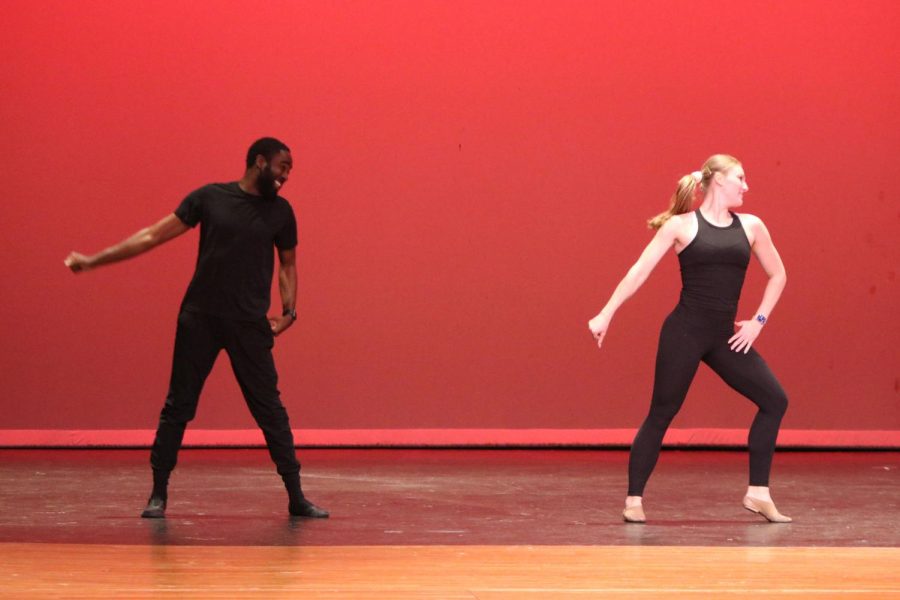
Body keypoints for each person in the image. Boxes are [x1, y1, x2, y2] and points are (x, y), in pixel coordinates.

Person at [64, 137, 329, 519]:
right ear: (259, 162)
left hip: (249, 324)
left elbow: (288, 264)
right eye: (282, 166)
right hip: (200, 318)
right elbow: (153, 235)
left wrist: (289, 311)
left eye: (290, 169)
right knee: (179, 406)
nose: (286, 175)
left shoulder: (281, 213)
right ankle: (158, 494)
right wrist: (93, 261)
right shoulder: (210, 198)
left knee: (270, 410)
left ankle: (296, 497)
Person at [587, 154, 791, 524]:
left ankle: (758, 493)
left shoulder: (752, 226)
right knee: (662, 413)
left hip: (725, 336)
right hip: (684, 332)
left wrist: (758, 321)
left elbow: (779, 275)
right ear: (718, 181)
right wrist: (606, 312)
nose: (746, 187)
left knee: (775, 400)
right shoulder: (681, 227)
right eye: (740, 179)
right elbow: (639, 272)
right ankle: (634, 499)